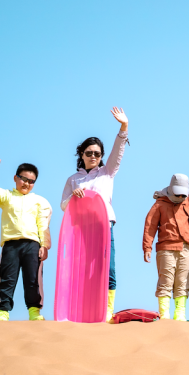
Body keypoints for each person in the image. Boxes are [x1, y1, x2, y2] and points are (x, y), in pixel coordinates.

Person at [61, 106, 129, 322]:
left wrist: (124, 127)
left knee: (108, 268)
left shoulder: (107, 172)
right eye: (89, 153)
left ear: (101, 157)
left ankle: (107, 311)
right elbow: (63, 205)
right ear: (81, 154)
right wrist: (73, 197)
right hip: (81, 229)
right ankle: (82, 309)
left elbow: (118, 151)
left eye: (97, 154)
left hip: (104, 224)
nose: (93, 156)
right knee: (81, 268)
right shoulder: (73, 180)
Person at [142, 155, 189, 321]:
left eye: (182, 195)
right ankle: (164, 316)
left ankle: (180, 316)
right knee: (165, 281)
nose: (179, 198)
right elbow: (150, 225)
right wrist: (147, 247)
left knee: (183, 282)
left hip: (186, 250)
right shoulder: (160, 204)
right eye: (177, 194)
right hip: (166, 250)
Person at [0, 158, 51, 321]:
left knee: (33, 279)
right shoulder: (7, 196)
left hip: (32, 245)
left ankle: (34, 312)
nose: (26, 183)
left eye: (31, 181)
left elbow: (43, 224)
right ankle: (3, 312)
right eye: (23, 179)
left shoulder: (39, 201)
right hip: (11, 245)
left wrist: (44, 245)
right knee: (7, 279)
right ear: (15, 178)